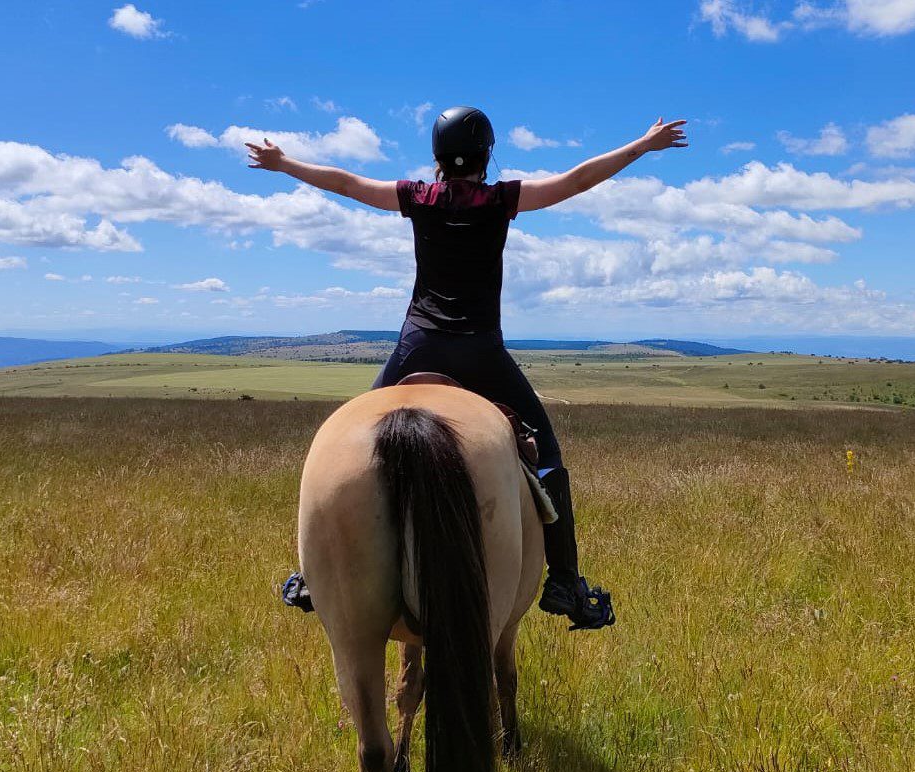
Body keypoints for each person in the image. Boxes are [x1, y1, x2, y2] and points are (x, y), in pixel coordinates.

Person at [249, 106, 687, 630]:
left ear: (437, 157)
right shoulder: (501, 200)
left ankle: (311, 575)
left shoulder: (417, 197)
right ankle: (567, 582)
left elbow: (346, 183)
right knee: (546, 452)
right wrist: (642, 145)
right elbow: (576, 180)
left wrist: (285, 164)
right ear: (486, 155)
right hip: (481, 352)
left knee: (347, 438)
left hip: (419, 344)